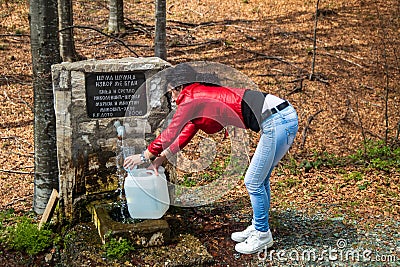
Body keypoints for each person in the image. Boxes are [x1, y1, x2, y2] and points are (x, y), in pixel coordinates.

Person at [123, 65, 298, 254]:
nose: (172, 98)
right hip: (279, 116)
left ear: (177, 87)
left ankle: (263, 234)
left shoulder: (191, 98)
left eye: (171, 92)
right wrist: (159, 159)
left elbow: (170, 132)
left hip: (277, 119)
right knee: (259, 180)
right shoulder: (197, 94)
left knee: (253, 181)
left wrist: (144, 155)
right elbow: (185, 132)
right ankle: (258, 227)